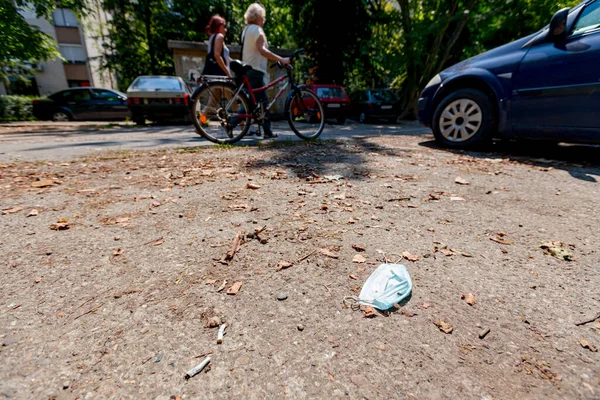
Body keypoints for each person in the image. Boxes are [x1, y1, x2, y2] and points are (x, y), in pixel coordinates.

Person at [241, 3, 290, 138]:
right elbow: (262, 50)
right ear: (257, 17)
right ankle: (267, 132)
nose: (264, 19)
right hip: (256, 69)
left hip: (247, 69)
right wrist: (281, 59)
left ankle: (236, 123)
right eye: (262, 16)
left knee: (252, 101)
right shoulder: (257, 30)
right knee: (262, 102)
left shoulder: (247, 30)